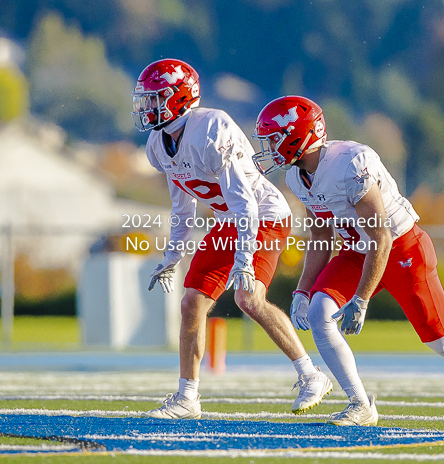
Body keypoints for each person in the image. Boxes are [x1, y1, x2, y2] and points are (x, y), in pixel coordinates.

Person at [251, 95, 444, 428]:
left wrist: (360, 299)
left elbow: (382, 237)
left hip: (402, 248)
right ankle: (360, 405)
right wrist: (303, 290)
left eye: (274, 138)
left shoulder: (350, 162)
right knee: (319, 311)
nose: (269, 147)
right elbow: (321, 236)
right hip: (357, 250)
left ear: (296, 135)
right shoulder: (294, 179)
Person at [131, 60, 332, 419]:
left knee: (248, 297)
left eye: (156, 98)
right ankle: (187, 398)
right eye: (145, 99)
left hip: (264, 215)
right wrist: (172, 255)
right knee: (191, 303)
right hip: (229, 220)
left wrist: (242, 261)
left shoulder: (211, 128)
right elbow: (182, 207)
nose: (148, 107)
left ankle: (311, 375)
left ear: (179, 97)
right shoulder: (157, 145)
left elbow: (245, 204)